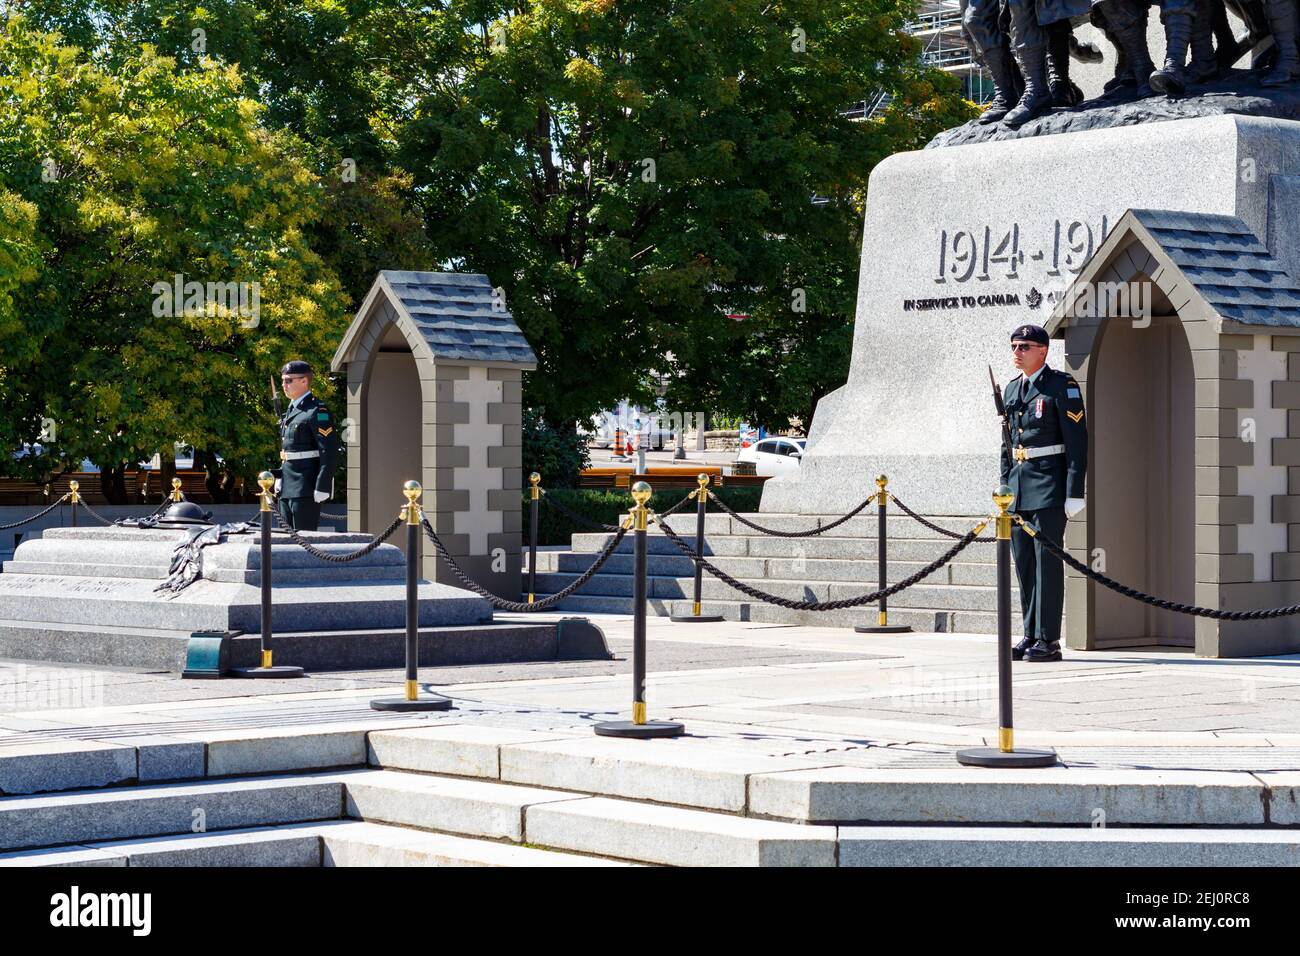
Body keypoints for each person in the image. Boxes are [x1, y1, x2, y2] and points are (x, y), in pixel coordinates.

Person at [999, 324, 1088, 663]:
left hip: (1049, 487)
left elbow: (1077, 442)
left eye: (1024, 346)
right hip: (1019, 489)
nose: (1017, 352)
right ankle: (1030, 634)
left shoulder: (1061, 386)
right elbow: (1007, 446)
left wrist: (1074, 491)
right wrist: (1004, 486)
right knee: (1024, 565)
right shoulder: (1011, 391)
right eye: (1014, 346)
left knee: (1046, 565)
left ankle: (1049, 639)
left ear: (1043, 351)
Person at [271, 360, 338, 531]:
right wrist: (280, 477)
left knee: (304, 541)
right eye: (283, 381)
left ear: (304, 381)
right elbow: (289, 451)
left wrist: (322, 485)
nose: (284, 385)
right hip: (287, 486)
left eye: (289, 380)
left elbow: (328, 450)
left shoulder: (317, 410)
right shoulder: (291, 411)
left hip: (305, 485)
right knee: (286, 541)